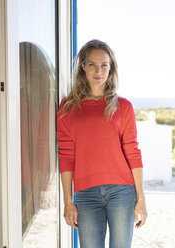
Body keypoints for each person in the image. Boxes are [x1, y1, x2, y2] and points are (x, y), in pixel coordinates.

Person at [57, 39, 148, 248]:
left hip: (122, 192)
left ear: (111, 68)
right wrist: (68, 202)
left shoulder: (123, 106)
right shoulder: (68, 108)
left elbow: (133, 152)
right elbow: (67, 156)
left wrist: (141, 198)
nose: (98, 71)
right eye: (92, 64)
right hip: (86, 194)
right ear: (83, 66)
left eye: (104, 65)